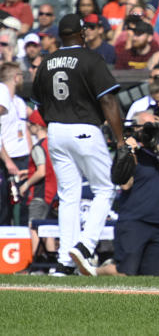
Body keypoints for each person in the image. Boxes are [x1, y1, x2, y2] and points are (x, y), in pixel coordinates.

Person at [31, 14, 125, 276]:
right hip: (85, 128)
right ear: (82, 33)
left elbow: (37, 106)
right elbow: (108, 102)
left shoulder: (47, 61)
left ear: (61, 35)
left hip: (56, 131)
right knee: (105, 189)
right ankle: (85, 247)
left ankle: (63, 263)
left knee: (69, 195)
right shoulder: (90, 57)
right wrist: (121, 140)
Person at [91, 111, 159, 276]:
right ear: (135, 128)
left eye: (153, 126)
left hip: (157, 224)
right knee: (125, 273)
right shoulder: (128, 152)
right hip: (134, 221)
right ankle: (94, 271)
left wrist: (155, 147)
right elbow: (125, 185)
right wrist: (130, 152)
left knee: (153, 278)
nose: (150, 130)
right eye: (146, 126)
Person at [20, 110, 56, 257]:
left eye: (30, 123)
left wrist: (26, 184)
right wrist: (26, 172)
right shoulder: (54, 144)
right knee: (50, 230)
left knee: (34, 227)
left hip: (40, 194)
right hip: (53, 194)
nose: (28, 126)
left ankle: (35, 262)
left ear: (36, 126)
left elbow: (41, 171)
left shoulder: (38, 147)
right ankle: (53, 263)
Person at [0, 62, 30, 225]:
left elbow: (26, 130)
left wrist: (32, 156)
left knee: (25, 205)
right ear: (15, 78)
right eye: (21, 75)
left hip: (23, 158)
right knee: (4, 207)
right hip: (6, 159)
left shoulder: (19, 102)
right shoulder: (2, 101)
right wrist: (7, 161)